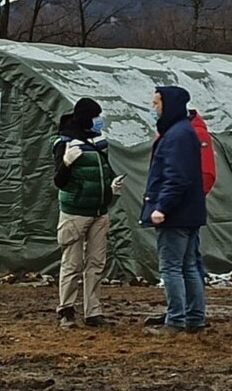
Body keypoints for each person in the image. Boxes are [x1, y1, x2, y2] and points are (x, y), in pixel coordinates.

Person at [52, 98, 124, 329]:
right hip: (75, 213)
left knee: (96, 263)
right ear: (85, 117)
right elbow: (59, 181)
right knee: (72, 264)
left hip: (99, 211)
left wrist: (112, 188)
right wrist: (66, 163)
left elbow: (104, 169)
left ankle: (93, 311)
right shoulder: (65, 143)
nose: (99, 121)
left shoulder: (99, 140)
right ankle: (66, 309)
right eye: (95, 117)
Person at [140, 86, 207, 335]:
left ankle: (176, 320)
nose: (153, 108)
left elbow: (176, 177)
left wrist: (161, 207)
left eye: (156, 103)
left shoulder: (175, 136)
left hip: (175, 214)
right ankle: (194, 318)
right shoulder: (184, 133)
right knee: (189, 266)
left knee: (171, 267)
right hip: (190, 213)